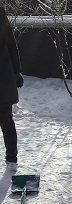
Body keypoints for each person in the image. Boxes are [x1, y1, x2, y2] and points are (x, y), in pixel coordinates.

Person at [0, 6, 23, 172]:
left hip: (3, 77)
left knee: (6, 120)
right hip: (5, 76)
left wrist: (16, 71)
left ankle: (12, 160)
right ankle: (12, 160)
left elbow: (12, 45)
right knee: (7, 120)